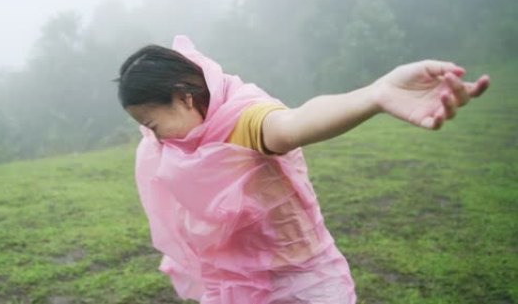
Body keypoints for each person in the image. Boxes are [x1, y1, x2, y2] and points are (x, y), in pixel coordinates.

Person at [115, 36, 490, 304]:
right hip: (234, 286)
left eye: (152, 122)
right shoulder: (182, 141)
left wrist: (375, 95)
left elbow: (295, 123)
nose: (152, 137)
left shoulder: (243, 120)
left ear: (184, 97)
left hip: (303, 285)